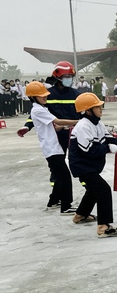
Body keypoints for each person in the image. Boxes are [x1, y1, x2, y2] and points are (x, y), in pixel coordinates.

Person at [69, 93, 117, 238]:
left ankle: (80, 215)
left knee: (93, 190)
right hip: (82, 166)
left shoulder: (97, 123)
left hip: (91, 166)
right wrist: (108, 148)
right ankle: (103, 227)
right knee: (103, 190)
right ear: (88, 110)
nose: (101, 108)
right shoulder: (84, 126)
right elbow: (89, 150)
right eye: (97, 106)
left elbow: (111, 139)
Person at [17, 61, 82, 208]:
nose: (69, 79)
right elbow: (38, 116)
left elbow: (83, 113)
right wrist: (27, 127)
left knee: (75, 163)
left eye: (71, 76)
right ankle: (61, 200)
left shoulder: (76, 95)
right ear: (58, 77)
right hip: (55, 137)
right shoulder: (47, 95)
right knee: (59, 171)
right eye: (66, 76)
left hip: (72, 135)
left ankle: (55, 199)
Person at [26, 81, 79, 215]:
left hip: (53, 147)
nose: (45, 97)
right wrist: (79, 122)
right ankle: (66, 206)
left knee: (60, 175)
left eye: (45, 95)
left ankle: (54, 201)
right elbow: (58, 121)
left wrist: (67, 126)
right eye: (41, 95)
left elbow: (55, 127)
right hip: (51, 149)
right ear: (33, 97)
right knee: (65, 177)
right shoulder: (37, 110)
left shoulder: (42, 108)